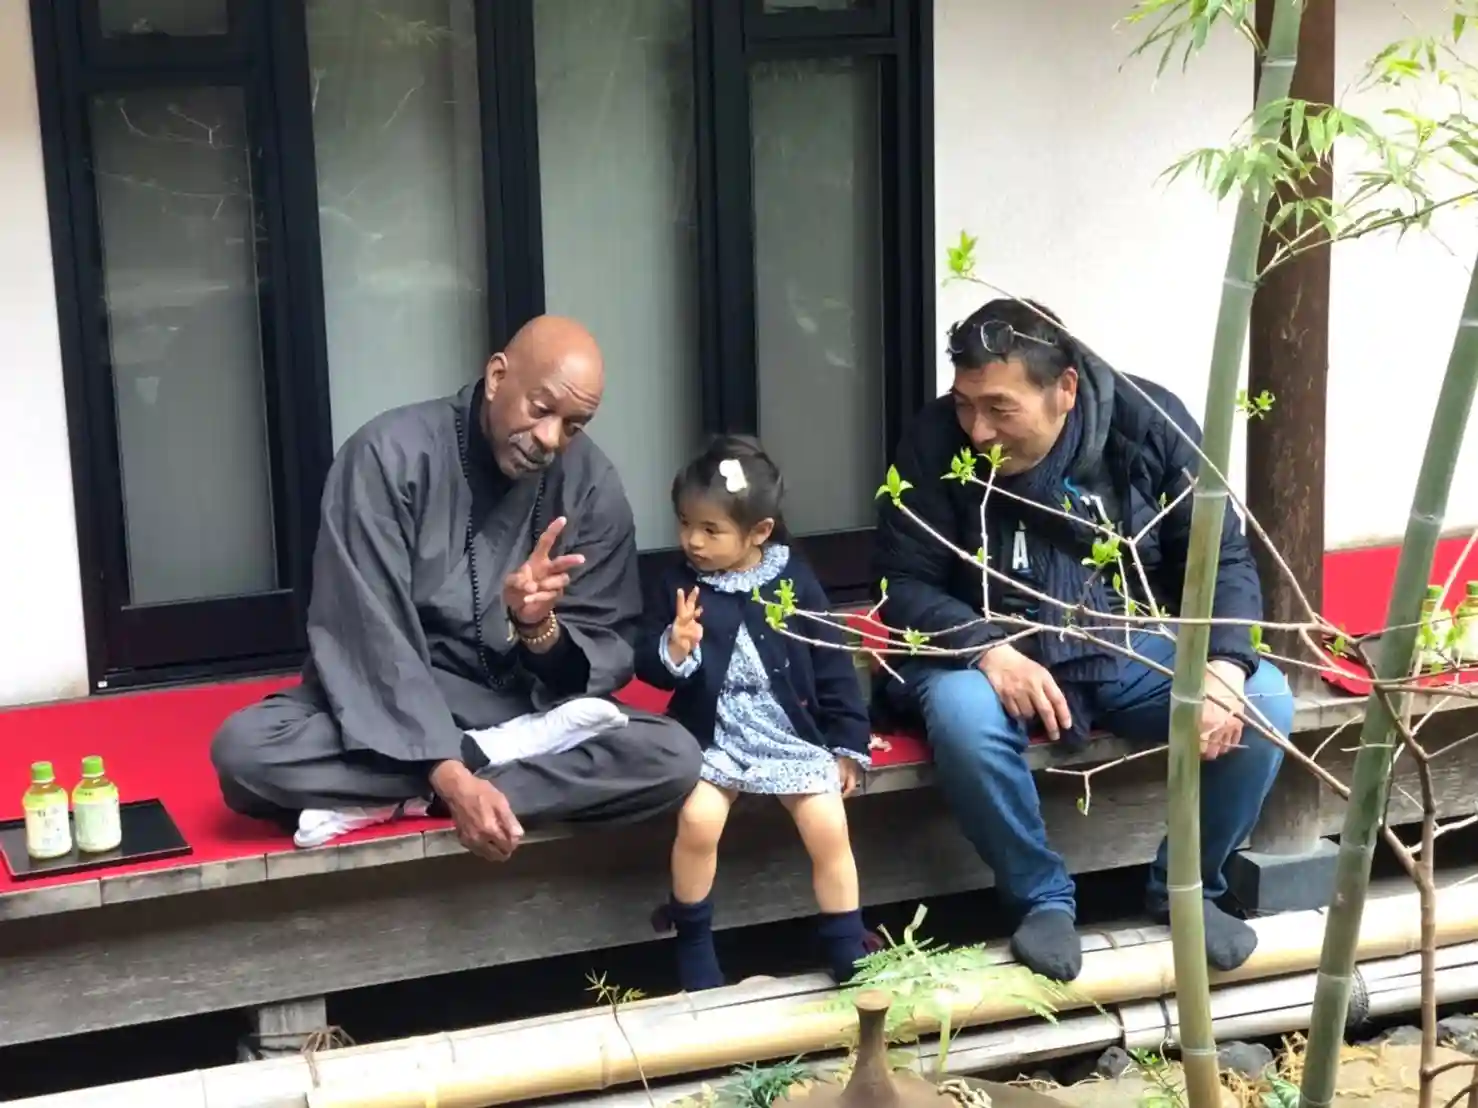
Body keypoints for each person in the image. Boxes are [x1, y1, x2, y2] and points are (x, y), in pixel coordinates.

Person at [872, 297, 1293, 983]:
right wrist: (989, 649)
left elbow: (1220, 557)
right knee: (961, 712)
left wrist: (1224, 663)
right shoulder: (934, 439)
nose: (977, 430)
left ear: (1064, 388)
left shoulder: (1147, 424)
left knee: (1265, 699)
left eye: (1000, 409)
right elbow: (904, 583)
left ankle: (1190, 886)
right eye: (965, 405)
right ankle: (1039, 898)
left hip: (1121, 638)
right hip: (989, 648)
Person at [211, 315, 703, 859]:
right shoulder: (388, 455)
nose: (549, 438)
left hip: (519, 701)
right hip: (396, 693)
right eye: (540, 409)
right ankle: (478, 768)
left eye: (573, 426)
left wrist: (538, 627)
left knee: (671, 755)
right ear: (497, 376)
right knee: (246, 752)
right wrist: (448, 773)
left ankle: (399, 797)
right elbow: (368, 634)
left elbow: (600, 645)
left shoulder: (590, 483)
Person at [637, 437, 874, 991]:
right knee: (699, 820)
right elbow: (648, 665)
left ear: (759, 531)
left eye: (711, 529)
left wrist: (847, 743)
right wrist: (674, 647)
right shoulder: (677, 583)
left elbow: (832, 661)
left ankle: (847, 942)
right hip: (714, 735)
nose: (693, 540)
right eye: (685, 524)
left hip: (788, 732)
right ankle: (693, 943)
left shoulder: (794, 581)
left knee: (827, 824)